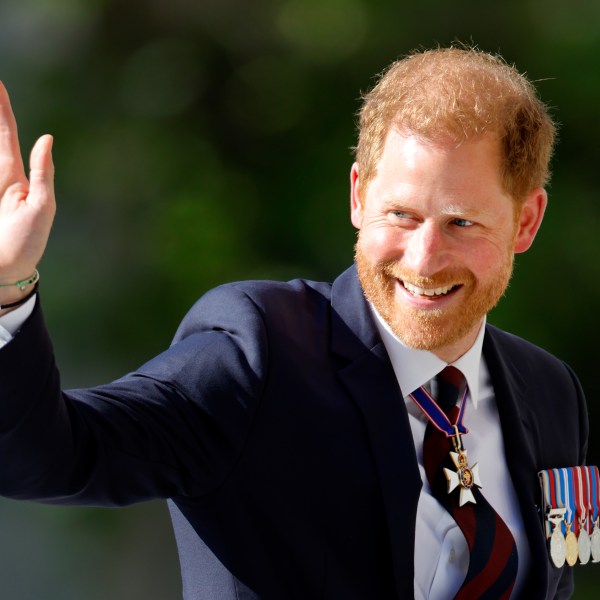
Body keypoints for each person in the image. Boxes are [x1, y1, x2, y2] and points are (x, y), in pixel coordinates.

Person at [0, 46, 588, 599]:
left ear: (526, 221)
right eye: (401, 214)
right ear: (358, 197)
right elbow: (50, 458)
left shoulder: (551, 390)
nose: (424, 259)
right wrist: (8, 288)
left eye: (461, 222)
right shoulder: (258, 353)